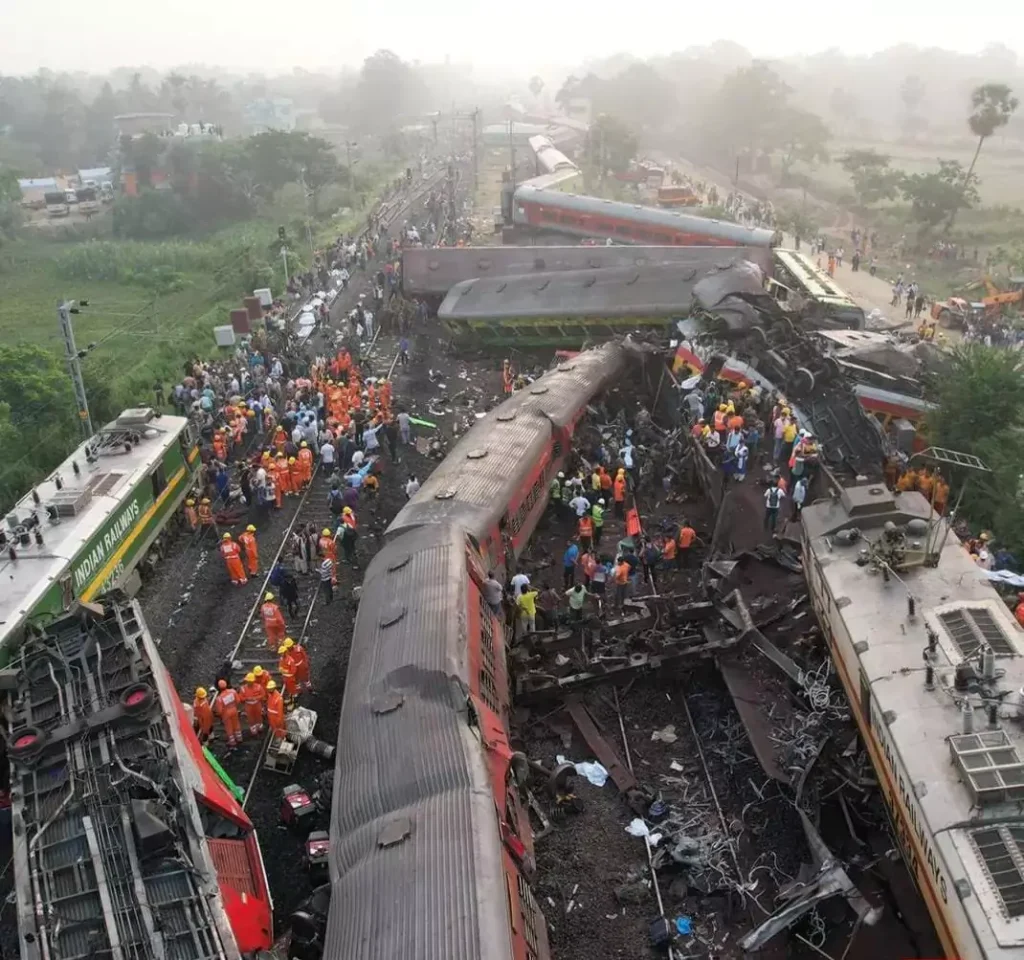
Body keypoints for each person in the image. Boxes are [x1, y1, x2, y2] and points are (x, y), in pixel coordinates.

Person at [212, 679, 242, 748]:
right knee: (236, 724)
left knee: (229, 727)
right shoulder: (233, 691)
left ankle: (232, 742)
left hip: (226, 713)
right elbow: (238, 701)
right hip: (234, 710)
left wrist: (218, 714)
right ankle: (239, 738)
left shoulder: (219, 698)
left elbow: (219, 711)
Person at [239, 672, 265, 737]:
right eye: (247, 681)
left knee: (259, 716)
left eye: (249, 681)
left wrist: (255, 698)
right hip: (248, 705)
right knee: (251, 718)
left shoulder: (258, 687)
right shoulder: (243, 688)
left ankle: (260, 728)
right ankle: (254, 731)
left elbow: (263, 694)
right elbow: (241, 697)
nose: (248, 682)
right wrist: (247, 698)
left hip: (257, 704)